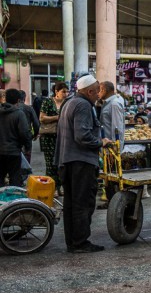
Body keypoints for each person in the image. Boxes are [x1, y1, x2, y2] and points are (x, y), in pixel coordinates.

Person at [54, 75, 112, 253]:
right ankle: (80, 242)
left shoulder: (69, 102)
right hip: (80, 162)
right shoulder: (84, 105)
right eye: (97, 91)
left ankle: (73, 242)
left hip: (67, 160)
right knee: (83, 203)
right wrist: (100, 142)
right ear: (89, 91)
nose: (99, 95)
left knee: (71, 204)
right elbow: (82, 136)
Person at [39, 82, 69, 196]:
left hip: (64, 136)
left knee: (62, 163)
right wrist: (57, 117)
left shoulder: (67, 103)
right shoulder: (47, 102)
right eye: (63, 91)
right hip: (49, 137)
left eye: (67, 91)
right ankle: (53, 187)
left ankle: (60, 185)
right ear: (56, 92)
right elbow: (42, 118)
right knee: (51, 163)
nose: (66, 94)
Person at [0, 89, 32, 187]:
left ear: (6, 99)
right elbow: (24, 133)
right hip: (14, 152)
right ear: (18, 100)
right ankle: (13, 201)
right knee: (15, 179)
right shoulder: (19, 114)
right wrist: (27, 147)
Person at [98, 81, 125, 150]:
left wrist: (116, 148)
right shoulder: (106, 103)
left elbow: (117, 128)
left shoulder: (114, 104)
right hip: (106, 146)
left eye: (99, 90)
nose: (97, 93)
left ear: (103, 90)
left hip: (111, 148)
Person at [17, 90, 40, 163]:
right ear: (24, 98)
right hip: (27, 135)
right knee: (26, 156)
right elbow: (36, 123)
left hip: (14, 136)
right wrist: (35, 134)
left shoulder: (12, 108)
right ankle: (25, 172)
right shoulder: (29, 108)